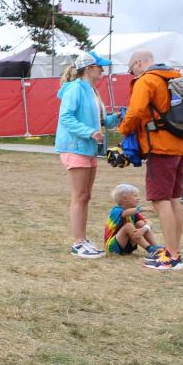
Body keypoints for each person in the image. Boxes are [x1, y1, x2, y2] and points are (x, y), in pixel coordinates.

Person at [118, 49, 183, 270]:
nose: (132, 74)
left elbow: (136, 111)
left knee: (160, 200)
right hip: (181, 145)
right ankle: (174, 251)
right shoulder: (174, 77)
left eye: (131, 70)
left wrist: (122, 130)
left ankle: (170, 256)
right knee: (174, 198)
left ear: (139, 63)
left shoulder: (147, 80)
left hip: (161, 147)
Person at [55, 52, 112, 258]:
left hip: (88, 148)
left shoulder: (92, 90)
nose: (103, 71)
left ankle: (83, 239)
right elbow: (66, 117)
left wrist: (116, 119)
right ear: (88, 69)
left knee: (86, 196)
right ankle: (78, 242)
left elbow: (99, 119)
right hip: (75, 147)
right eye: (99, 67)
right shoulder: (75, 89)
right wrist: (89, 132)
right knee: (80, 196)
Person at [104, 183, 160, 257]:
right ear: (124, 198)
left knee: (141, 223)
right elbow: (125, 213)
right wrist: (141, 209)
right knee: (128, 226)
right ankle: (150, 249)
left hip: (127, 246)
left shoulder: (133, 212)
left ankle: (156, 248)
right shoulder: (116, 210)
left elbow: (149, 222)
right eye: (135, 195)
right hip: (112, 247)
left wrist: (144, 229)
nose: (138, 198)